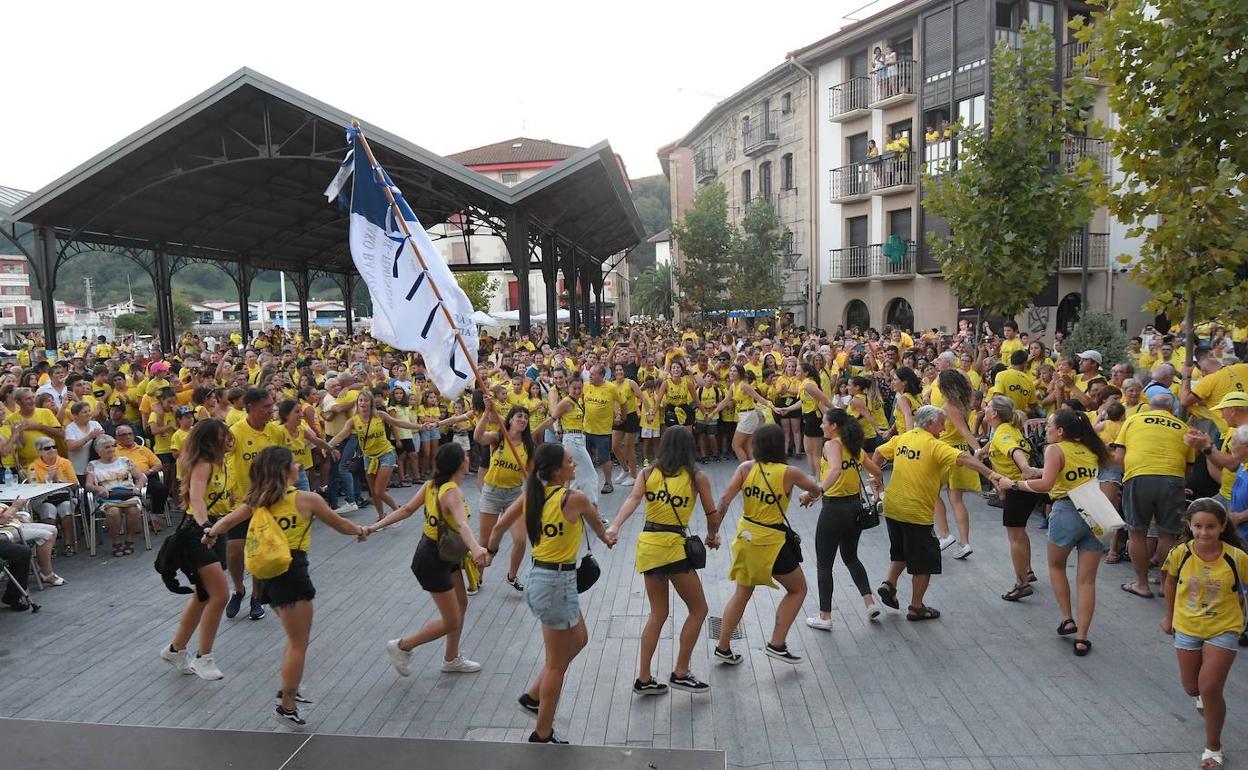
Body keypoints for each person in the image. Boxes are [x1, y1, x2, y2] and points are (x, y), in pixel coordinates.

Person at [204, 446, 369, 729]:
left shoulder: (258, 499)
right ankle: (286, 706)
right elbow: (339, 524)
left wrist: (211, 534)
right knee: (298, 643)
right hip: (291, 572)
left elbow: (229, 520)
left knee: (294, 639)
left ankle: (289, 687)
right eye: (294, 463)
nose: (299, 466)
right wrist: (361, 530)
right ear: (284, 470)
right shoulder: (307, 499)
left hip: (265, 576)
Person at [489, 442, 610, 744]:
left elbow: (499, 527)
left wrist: (489, 552)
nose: (574, 465)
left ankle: (533, 696)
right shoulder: (575, 499)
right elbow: (600, 528)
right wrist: (609, 537)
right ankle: (542, 732)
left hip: (538, 578)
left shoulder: (532, 496)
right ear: (557, 470)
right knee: (556, 664)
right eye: (569, 461)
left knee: (579, 639)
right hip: (557, 584)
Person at [606, 427, 720, 695]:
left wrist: (615, 526)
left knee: (657, 614)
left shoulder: (648, 473)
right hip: (674, 548)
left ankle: (644, 677)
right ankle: (680, 671)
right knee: (699, 609)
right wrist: (711, 536)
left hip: (648, 546)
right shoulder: (697, 477)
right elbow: (712, 515)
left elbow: (633, 499)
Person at [994, 409, 1109, 656]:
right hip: (1094, 511)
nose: (1045, 429)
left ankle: (1067, 618)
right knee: (1087, 581)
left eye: (1049, 426)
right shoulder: (1091, 449)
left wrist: (1013, 484)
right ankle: (1082, 637)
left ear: (1060, 431)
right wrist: (1038, 471)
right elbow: (1064, 475)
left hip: (1067, 511)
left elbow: (1046, 485)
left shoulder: (1055, 449)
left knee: (1057, 567)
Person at [375, 442, 491, 676]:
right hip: (433, 560)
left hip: (443, 553)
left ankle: (451, 659)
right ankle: (402, 646)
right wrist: (477, 548)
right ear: (460, 464)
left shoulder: (431, 485)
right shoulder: (452, 492)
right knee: (451, 620)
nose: (468, 459)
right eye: (465, 457)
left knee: (461, 604)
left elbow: (406, 510)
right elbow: (462, 524)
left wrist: (373, 527)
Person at [873, 406, 996, 621]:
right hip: (916, 512)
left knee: (901, 550)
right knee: (924, 562)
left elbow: (877, 453)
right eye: (941, 423)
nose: (944, 428)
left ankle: (889, 584)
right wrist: (992, 474)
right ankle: (916, 607)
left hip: (892, 507)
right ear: (930, 423)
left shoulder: (903, 438)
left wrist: (876, 479)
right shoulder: (934, 445)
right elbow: (964, 459)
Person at [712, 424, 822, 664]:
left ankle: (723, 646)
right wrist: (808, 496)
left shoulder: (745, 468)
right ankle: (777, 643)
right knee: (798, 589)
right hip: (772, 542)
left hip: (746, 536)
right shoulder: (790, 472)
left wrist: (713, 533)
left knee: (741, 594)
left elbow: (724, 501)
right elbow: (816, 489)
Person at [1160, 498, 1248, 770]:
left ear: (1222, 526)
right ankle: (1201, 696)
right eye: (1198, 526)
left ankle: (1213, 747)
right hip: (1187, 625)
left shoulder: (1237, 557)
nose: (1204, 532)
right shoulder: (1180, 553)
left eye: (1210, 526)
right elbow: (1170, 581)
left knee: (1210, 688)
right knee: (1192, 687)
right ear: (1189, 525)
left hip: (1225, 626)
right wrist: (1169, 616)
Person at [160, 420, 233, 681]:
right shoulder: (203, 464)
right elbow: (197, 499)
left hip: (218, 528)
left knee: (203, 595)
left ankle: (176, 649)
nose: (229, 438)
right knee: (220, 595)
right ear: (211, 440)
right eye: (224, 435)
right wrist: (206, 527)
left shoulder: (224, 463)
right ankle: (204, 657)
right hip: (198, 533)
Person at [800, 408, 884, 629]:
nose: (821, 426)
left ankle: (825, 616)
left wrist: (816, 491)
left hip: (834, 510)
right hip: (855, 508)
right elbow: (877, 471)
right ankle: (869, 603)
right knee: (851, 557)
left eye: (824, 422)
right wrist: (876, 488)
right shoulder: (855, 448)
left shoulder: (832, 445)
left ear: (834, 426)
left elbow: (836, 470)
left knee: (824, 564)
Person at [1115, 391, 1195, 599]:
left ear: (1151, 406)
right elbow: (1189, 467)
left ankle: (1142, 584)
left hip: (1139, 475)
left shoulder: (1133, 420)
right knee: (1168, 534)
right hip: (1173, 478)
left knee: (1137, 533)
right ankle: (1165, 584)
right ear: (1172, 409)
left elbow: (1119, 456)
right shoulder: (1183, 426)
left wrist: (1129, 476)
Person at [981, 395, 1042, 600]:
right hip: (1023, 488)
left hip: (1017, 488)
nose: (985, 408)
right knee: (1020, 531)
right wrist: (979, 453)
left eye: (988, 406)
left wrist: (1026, 469)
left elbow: (1014, 450)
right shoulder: (1008, 429)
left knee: (1014, 537)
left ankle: (1021, 583)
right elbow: (993, 446)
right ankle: (1028, 570)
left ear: (994, 413)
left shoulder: (1002, 432)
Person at [473, 403, 539, 592]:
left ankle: (512, 576)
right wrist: (486, 412)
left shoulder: (529, 447)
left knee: (520, 540)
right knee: (485, 540)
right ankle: (477, 576)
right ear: (510, 419)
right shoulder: (498, 438)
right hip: (492, 493)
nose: (523, 420)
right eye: (519, 416)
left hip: (514, 495)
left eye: (526, 417)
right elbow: (478, 437)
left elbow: (532, 475)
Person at [928, 366, 981, 558]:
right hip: (958, 452)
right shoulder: (962, 404)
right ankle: (964, 543)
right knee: (956, 500)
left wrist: (978, 450)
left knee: (933, 494)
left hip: (946, 453)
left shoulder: (950, 406)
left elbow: (964, 431)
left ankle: (945, 534)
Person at [85, 434, 148, 557]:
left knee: (133, 510)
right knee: (113, 512)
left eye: (113, 446)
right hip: (107, 496)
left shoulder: (124, 461)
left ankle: (130, 540)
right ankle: (116, 542)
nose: (111, 449)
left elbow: (141, 477)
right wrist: (99, 488)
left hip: (128, 493)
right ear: (98, 451)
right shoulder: (93, 465)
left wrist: (138, 487)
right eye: (107, 447)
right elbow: (88, 485)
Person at [24, 437, 76, 572]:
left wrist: (58, 480)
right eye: (47, 448)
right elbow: (34, 488)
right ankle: (50, 546)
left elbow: (75, 484)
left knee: (66, 508)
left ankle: (69, 543)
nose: (52, 450)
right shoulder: (33, 466)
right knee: (49, 510)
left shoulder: (65, 462)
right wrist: (48, 480)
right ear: (39, 452)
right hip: (43, 498)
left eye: (54, 447)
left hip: (64, 495)